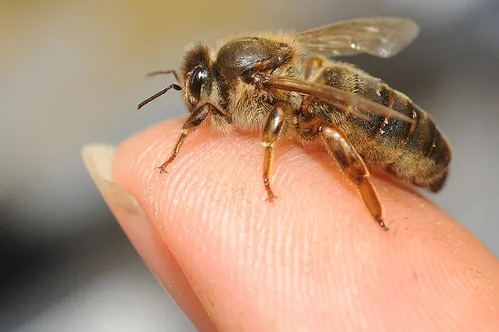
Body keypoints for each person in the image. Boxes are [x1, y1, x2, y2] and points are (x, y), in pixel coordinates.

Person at [82, 118, 499, 331]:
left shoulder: (271, 95)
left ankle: (377, 214)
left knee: (334, 131)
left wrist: (266, 168)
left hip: (393, 131)